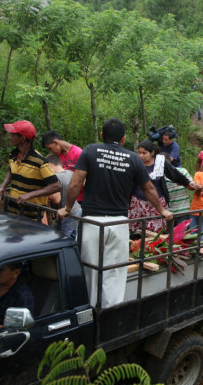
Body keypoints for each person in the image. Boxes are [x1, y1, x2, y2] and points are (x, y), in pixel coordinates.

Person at [57, 118, 172, 308]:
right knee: (115, 270)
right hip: (118, 223)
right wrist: (162, 210)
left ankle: (90, 311)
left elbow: (75, 183)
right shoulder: (133, 158)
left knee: (90, 268)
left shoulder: (90, 151)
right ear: (124, 138)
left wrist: (68, 208)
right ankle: (111, 312)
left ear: (102, 135)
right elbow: (149, 188)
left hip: (92, 221)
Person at [0, 120, 61, 219]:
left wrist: (30, 195)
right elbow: (11, 171)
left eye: (12, 135)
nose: (9, 137)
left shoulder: (39, 162)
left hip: (31, 217)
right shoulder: (13, 155)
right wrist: (3, 185)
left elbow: (56, 186)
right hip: (12, 212)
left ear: (22, 138)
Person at [129, 141, 196, 233]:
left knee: (157, 231)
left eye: (144, 153)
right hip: (138, 202)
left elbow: (174, 174)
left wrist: (188, 184)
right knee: (138, 231)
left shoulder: (160, 161)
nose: (141, 155)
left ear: (152, 152)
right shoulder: (136, 162)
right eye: (139, 152)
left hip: (157, 203)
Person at [45, 154, 81, 238]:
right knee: (73, 236)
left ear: (50, 165)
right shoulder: (71, 173)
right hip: (77, 209)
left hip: (67, 213)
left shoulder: (55, 178)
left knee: (62, 238)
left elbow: (55, 199)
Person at [163, 154, 194, 224]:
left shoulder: (182, 171)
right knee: (168, 234)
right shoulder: (158, 176)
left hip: (183, 211)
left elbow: (193, 187)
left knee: (182, 234)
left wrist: (183, 182)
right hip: (167, 213)